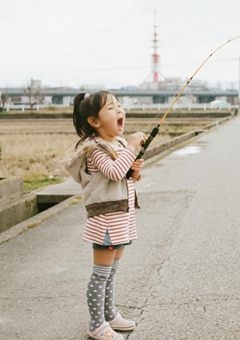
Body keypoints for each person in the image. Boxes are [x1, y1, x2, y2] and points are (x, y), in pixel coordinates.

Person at [66, 91, 146, 340]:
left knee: (112, 271)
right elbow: (113, 172)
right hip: (106, 220)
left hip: (122, 216)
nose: (119, 110)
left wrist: (134, 172)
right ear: (94, 121)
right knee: (100, 274)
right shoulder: (94, 148)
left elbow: (123, 175)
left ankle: (110, 314)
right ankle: (96, 323)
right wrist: (132, 148)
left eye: (119, 106)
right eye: (111, 108)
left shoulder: (118, 145)